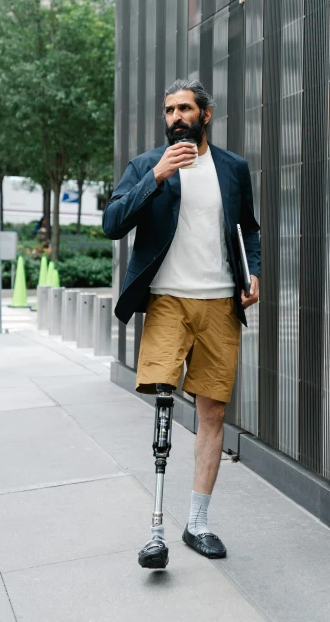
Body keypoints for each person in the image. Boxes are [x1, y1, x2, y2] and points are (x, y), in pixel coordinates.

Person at [102, 78, 260, 568]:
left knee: (212, 414)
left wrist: (252, 273)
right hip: (168, 300)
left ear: (205, 115)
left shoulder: (232, 168)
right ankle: (154, 531)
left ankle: (197, 523)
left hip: (218, 304)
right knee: (164, 404)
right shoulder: (148, 165)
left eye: (184, 108)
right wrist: (156, 180)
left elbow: (248, 229)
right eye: (168, 109)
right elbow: (112, 223)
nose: (175, 117)